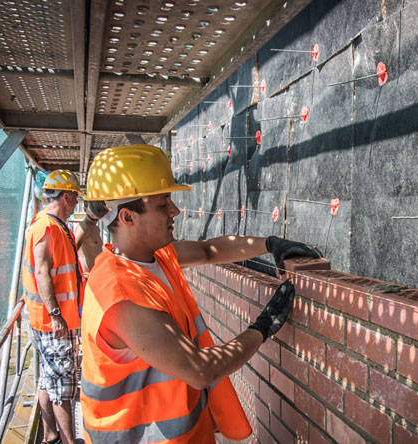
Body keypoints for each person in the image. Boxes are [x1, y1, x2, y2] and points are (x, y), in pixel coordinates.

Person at [80, 144, 320, 444]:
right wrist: (263, 326)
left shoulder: (154, 257)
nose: (175, 211)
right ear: (128, 217)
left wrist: (271, 244)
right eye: (163, 203)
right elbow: (200, 370)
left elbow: (209, 250)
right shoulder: (123, 297)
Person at [21, 169, 84, 444]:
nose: (76, 204)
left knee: (49, 380)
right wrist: (56, 314)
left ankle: (49, 436)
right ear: (67, 197)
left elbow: (58, 272)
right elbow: (43, 272)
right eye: (76, 198)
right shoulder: (47, 227)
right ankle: (70, 441)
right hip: (54, 323)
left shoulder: (53, 224)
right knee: (62, 385)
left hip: (50, 320)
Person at [74, 200, 108, 276]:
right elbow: (72, 252)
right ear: (85, 209)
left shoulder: (96, 228)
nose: (95, 209)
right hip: (87, 276)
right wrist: (80, 274)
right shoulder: (84, 228)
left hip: (95, 275)